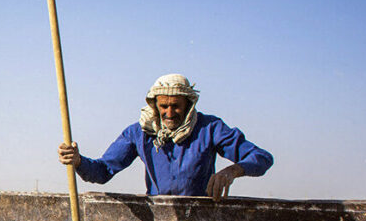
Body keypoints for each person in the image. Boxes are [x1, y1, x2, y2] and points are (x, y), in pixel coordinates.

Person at [58, 73, 272, 200]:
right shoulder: (138, 133)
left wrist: (231, 171)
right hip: (161, 218)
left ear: (188, 106)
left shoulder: (210, 128)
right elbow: (103, 171)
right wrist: (78, 161)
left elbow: (261, 158)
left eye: (176, 107)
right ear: (155, 105)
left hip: (201, 217)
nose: (169, 113)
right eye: (164, 106)